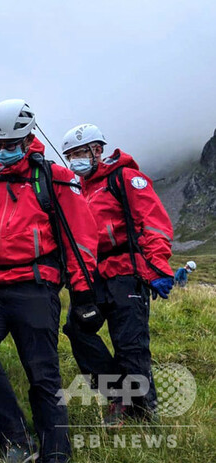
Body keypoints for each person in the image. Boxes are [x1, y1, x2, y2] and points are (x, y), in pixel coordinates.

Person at [0, 100, 98, 463]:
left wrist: (83, 292)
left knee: (42, 373)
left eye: (10, 145)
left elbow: (80, 237)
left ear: (29, 137)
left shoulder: (54, 178)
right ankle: (14, 437)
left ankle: (55, 454)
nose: (3, 152)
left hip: (35, 284)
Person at [60, 123, 175, 424]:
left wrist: (159, 266)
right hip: (92, 276)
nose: (75, 161)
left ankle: (144, 413)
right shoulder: (77, 190)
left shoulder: (125, 178)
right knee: (76, 329)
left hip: (127, 272)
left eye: (80, 153)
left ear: (98, 150)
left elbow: (152, 222)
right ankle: (119, 395)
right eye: (70, 156)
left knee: (131, 345)